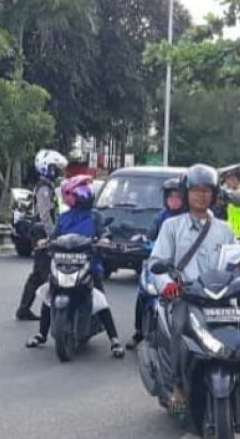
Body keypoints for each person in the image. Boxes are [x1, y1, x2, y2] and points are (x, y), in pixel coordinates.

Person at [150, 164, 240, 439]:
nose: (201, 197)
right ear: (186, 194)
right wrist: (167, 284)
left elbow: (236, 262)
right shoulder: (171, 227)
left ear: (214, 196)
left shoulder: (225, 230)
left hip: (221, 300)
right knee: (179, 327)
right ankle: (178, 387)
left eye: (207, 191)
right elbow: (157, 263)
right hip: (187, 296)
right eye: (196, 191)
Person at [25, 176, 125, 357]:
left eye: (85, 191)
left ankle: (114, 340)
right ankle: (41, 333)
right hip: (63, 263)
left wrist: (104, 239)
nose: (83, 195)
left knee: (100, 300)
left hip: (88, 265)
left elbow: (105, 233)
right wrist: (45, 242)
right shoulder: (64, 218)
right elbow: (54, 236)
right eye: (79, 192)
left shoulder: (95, 217)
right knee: (49, 294)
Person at [127, 177, 185, 349]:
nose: (174, 201)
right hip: (159, 263)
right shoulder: (161, 217)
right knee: (143, 294)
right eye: (170, 197)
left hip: (179, 267)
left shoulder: (187, 219)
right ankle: (138, 331)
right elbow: (150, 235)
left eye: (177, 197)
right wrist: (143, 241)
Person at [15, 149, 67, 321]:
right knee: (46, 273)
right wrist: (53, 235)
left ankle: (24, 309)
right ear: (46, 168)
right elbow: (45, 215)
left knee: (38, 273)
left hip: (42, 232)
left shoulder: (49, 187)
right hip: (41, 232)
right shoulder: (44, 188)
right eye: (55, 168)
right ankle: (53, 314)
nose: (58, 171)